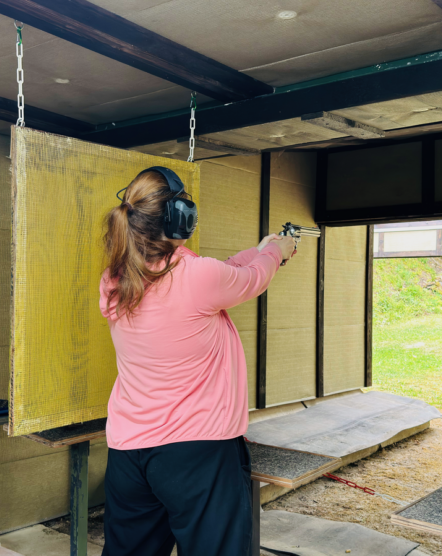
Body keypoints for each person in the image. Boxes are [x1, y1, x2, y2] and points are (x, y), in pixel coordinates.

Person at [98, 167, 296, 556]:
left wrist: (259, 249)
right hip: (198, 452)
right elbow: (252, 278)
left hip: (129, 451)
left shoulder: (114, 279)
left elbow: (221, 271)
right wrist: (277, 251)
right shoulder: (199, 277)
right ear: (178, 219)